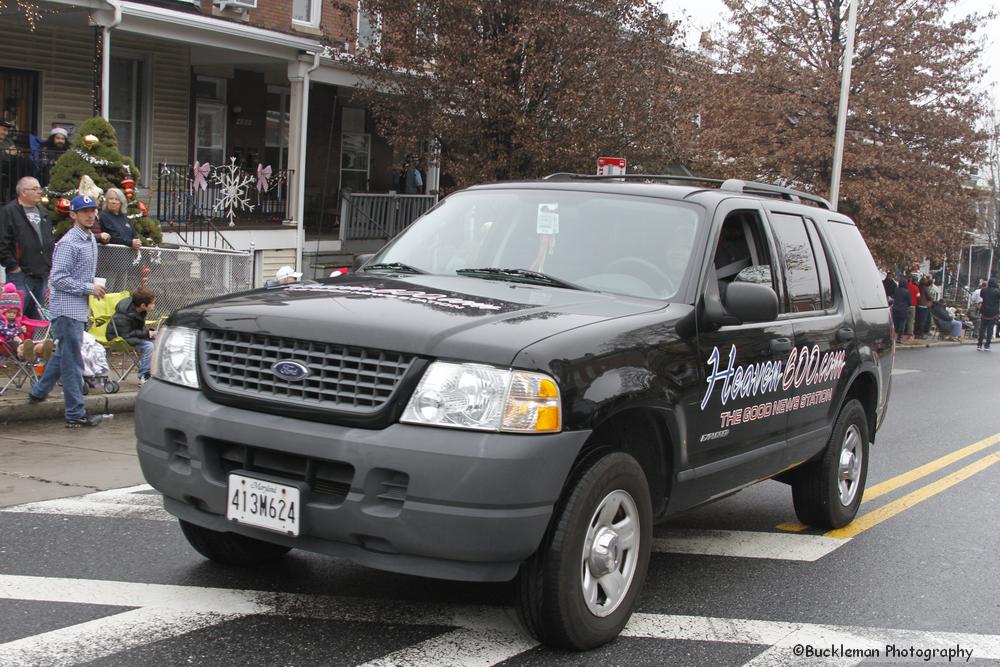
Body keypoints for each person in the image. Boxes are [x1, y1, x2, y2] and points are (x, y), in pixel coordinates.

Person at [27, 194, 106, 428]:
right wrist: (88, 288)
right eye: (84, 211)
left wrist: (88, 294)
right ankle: (75, 414)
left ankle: (38, 392)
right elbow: (59, 279)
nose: (90, 215)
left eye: (92, 210)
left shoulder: (89, 239)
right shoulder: (68, 243)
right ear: (73, 214)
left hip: (78, 308)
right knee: (73, 362)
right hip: (66, 309)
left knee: (64, 354)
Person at [0, 176, 53, 320]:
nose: (39, 192)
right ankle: (14, 343)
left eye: (39, 188)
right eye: (35, 189)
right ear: (23, 192)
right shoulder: (9, 211)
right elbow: (3, 242)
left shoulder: (43, 212)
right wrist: (13, 266)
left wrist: (48, 264)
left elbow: (48, 239)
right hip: (20, 275)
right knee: (14, 317)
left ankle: (34, 343)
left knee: (35, 318)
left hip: (41, 274)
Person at [110, 286, 156, 385]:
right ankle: (144, 376)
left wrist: (149, 334)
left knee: (158, 342)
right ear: (143, 305)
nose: (154, 305)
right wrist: (147, 334)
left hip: (133, 336)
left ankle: (153, 374)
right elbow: (127, 333)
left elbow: (139, 329)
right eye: (152, 303)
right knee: (149, 346)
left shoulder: (141, 311)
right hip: (120, 337)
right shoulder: (125, 314)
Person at [977, 277, 1000, 351]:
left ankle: (979, 344)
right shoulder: (997, 292)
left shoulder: (984, 290)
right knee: (990, 329)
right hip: (993, 312)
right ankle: (987, 345)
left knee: (982, 329)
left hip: (984, 311)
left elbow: (981, 296)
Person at [891, 277, 911, 344]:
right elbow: (909, 302)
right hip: (903, 311)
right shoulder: (907, 292)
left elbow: (893, 297)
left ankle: (893, 337)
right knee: (902, 325)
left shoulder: (896, 290)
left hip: (895, 309)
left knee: (895, 324)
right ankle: (899, 338)